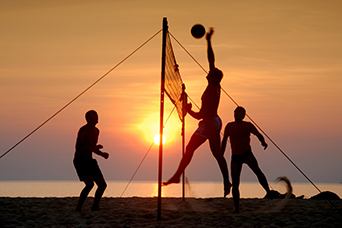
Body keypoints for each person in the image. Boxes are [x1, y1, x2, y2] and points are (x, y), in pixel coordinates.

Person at [163, 28, 232, 197]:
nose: (208, 73)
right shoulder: (215, 85)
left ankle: (177, 176)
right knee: (217, 154)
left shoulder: (210, 92)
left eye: (210, 73)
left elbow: (201, 115)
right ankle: (226, 181)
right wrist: (208, 41)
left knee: (190, 148)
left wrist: (188, 111)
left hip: (209, 122)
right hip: (215, 121)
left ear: (212, 77)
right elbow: (211, 61)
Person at [221, 106, 271, 213]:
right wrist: (221, 153)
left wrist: (263, 142)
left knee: (258, 171)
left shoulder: (247, 125)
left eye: (239, 112)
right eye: (235, 112)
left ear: (243, 115)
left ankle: (268, 191)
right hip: (235, 156)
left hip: (247, 154)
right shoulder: (229, 126)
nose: (236, 113)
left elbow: (258, 134)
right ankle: (237, 208)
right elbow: (224, 140)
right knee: (235, 182)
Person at [73, 110, 109, 212]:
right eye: (93, 116)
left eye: (97, 116)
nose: (96, 118)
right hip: (81, 160)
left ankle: (95, 206)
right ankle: (78, 208)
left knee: (102, 185)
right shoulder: (83, 130)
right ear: (88, 118)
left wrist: (102, 154)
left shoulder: (97, 131)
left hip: (90, 160)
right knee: (89, 184)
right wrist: (93, 148)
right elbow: (79, 146)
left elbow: (93, 148)